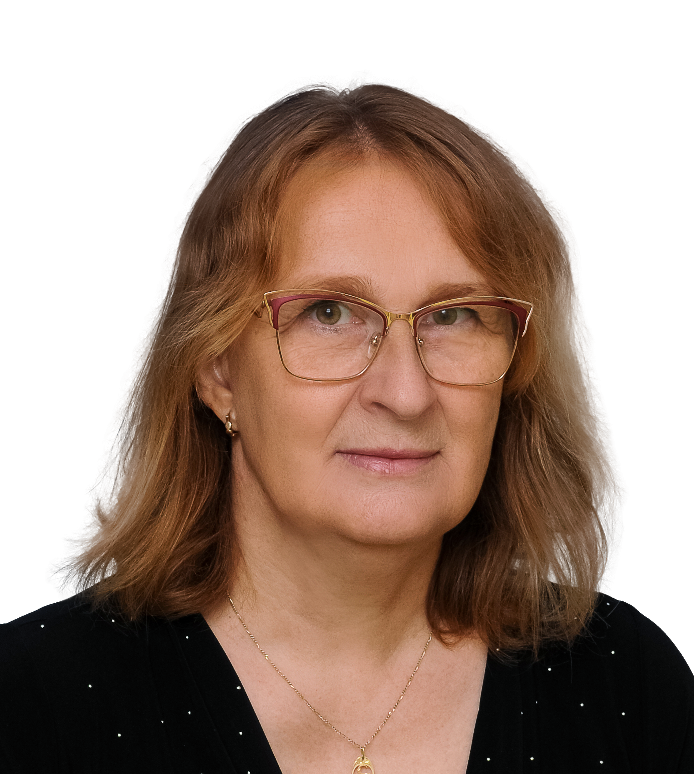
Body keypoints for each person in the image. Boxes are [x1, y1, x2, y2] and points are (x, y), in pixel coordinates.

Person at [1, 72, 692, 774]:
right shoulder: (29, 706)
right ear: (217, 370)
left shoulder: (629, 688)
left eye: (454, 315)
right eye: (328, 313)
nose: (406, 393)